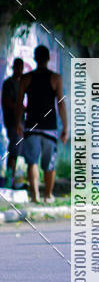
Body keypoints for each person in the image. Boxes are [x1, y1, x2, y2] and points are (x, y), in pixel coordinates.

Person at [15, 46, 68, 204]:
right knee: (48, 163)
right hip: (49, 127)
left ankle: (35, 194)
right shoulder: (56, 78)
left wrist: (19, 122)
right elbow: (60, 103)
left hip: (31, 125)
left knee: (32, 161)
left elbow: (19, 103)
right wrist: (65, 127)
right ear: (48, 59)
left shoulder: (26, 78)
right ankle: (48, 195)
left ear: (35, 58)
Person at [2, 57, 24, 188]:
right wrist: (21, 108)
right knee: (13, 151)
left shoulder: (21, 83)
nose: (19, 71)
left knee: (17, 152)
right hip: (12, 122)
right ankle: (10, 179)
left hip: (20, 121)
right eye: (18, 68)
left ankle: (12, 178)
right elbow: (8, 102)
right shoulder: (9, 83)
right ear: (14, 68)